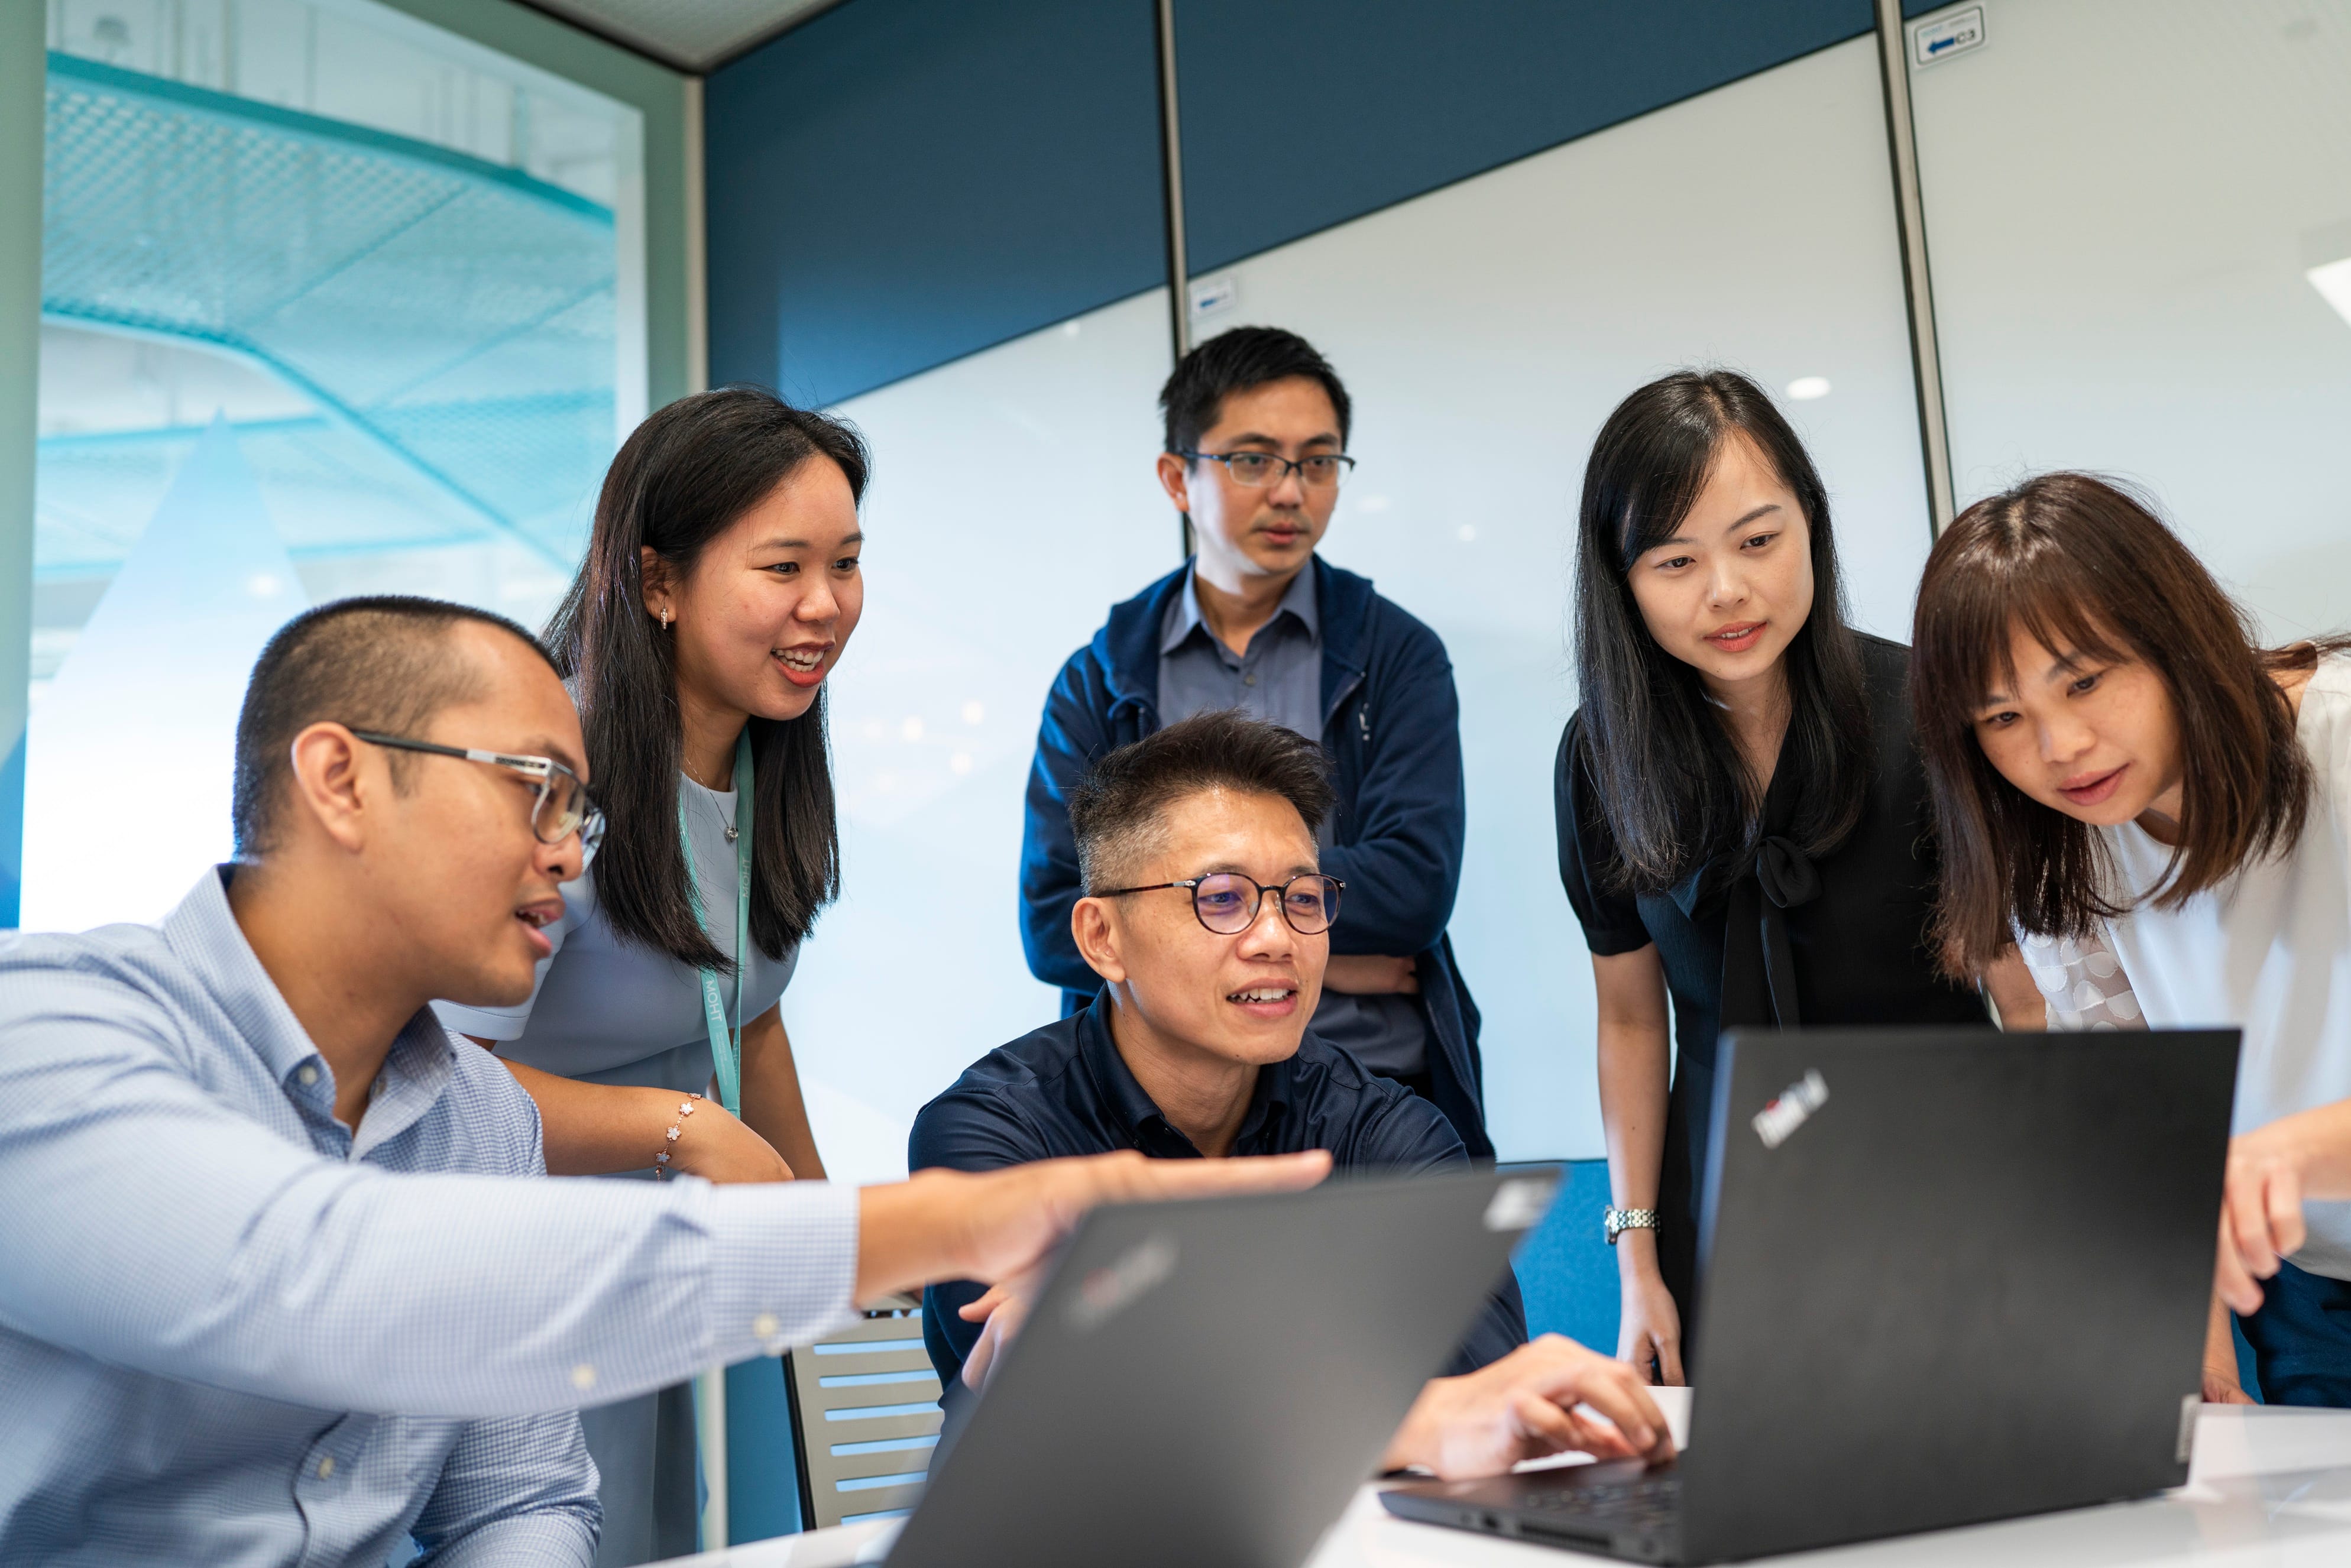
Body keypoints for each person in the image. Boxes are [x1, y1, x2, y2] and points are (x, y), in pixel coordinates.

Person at [0, 596, 1328, 1564]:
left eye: (577, 811)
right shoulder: (47, 1030)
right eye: (534, 792)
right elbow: (318, 1277)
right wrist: (951, 1222)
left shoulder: (471, 1117)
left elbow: (519, 1499)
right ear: (339, 778)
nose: (569, 855)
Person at [929, 712, 1672, 1479]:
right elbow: (1078, 1425)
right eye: (1221, 899)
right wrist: (1401, 1413)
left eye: (1303, 898)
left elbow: (1481, 1384)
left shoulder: (1386, 1131)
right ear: (1101, 939)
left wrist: (1139, 1336)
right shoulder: (990, 1135)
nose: (1277, 938)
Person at [431, 388, 862, 1560]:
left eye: (845, 563)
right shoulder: (546, 782)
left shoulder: (766, 772)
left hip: (642, 1289)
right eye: (782, 568)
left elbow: (748, 1024)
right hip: (505, 1295)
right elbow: (430, 1077)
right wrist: (681, 1130)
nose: (823, 607)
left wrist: (835, 1233)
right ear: (658, 583)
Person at [1555, 370, 2039, 1386]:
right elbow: (1635, 1021)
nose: (1726, 590)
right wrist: (1636, 1258)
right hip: (1726, 1208)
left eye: (1759, 540)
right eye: (1676, 560)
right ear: (1624, 581)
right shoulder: (1602, 760)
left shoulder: (1925, 707)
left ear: (1811, 528)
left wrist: (2068, 1208)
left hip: (1950, 1185)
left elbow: (2027, 994)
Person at [1908, 471, 2351, 1407]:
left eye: (2085, 680)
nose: (2060, 746)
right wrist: (2195, 1364)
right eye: (2002, 717)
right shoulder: (2059, 856)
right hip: (2309, 1288)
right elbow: (2143, 1122)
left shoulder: (2340, 744)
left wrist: (2290, 1150)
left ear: (2174, 639)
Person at [1021, 327, 1491, 1157]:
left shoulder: (1395, 654)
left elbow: (1419, 885)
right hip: (1160, 1111)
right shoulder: (1101, 678)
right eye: (1253, 460)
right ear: (1178, 477)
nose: (1290, 492)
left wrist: (1186, 905)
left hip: (1376, 1090)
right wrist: (1328, 951)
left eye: (1318, 462)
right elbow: (1058, 922)